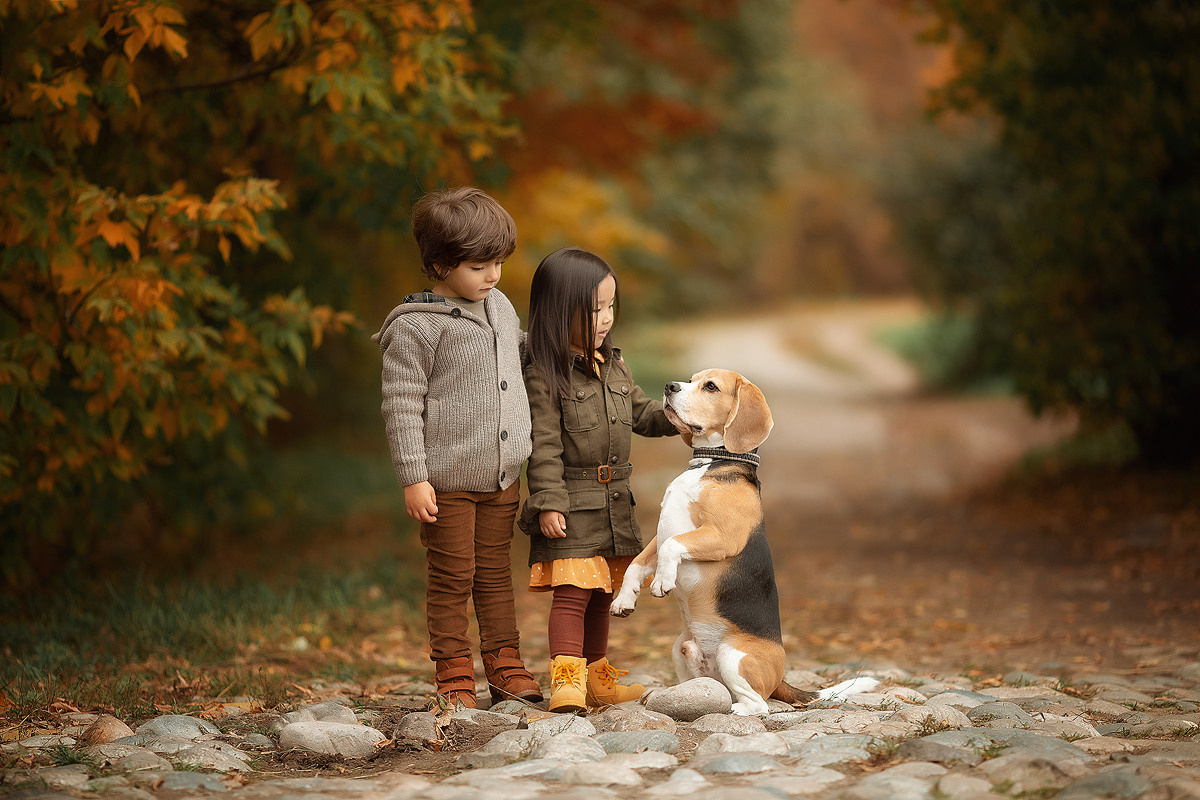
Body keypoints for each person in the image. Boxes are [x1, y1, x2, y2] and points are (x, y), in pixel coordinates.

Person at [373, 187, 541, 709]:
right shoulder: (417, 327)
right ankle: (453, 674)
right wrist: (413, 476)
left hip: (501, 477)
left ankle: (505, 662)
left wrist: (561, 340)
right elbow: (402, 405)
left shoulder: (500, 306)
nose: (493, 275)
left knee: (494, 575)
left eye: (499, 262)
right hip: (445, 481)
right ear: (441, 264)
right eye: (480, 265)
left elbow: (518, 357)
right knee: (452, 578)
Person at [520, 246, 678, 713]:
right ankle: (566, 681)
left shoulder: (614, 367)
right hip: (572, 501)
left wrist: (681, 416)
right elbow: (544, 446)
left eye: (611, 305)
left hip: (613, 504)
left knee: (602, 595)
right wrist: (548, 501)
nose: (606, 317)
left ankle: (598, 678)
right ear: (557, 313)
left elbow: (643, 415)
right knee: (572, 595)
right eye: (594, 310)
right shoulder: (546, 377)